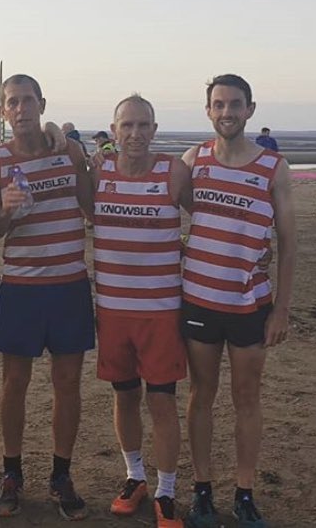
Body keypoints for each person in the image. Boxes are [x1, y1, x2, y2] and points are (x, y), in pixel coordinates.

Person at [181, 75, 295, 528]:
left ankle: (245, 493)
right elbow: (150, 187)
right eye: (218, 104)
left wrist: (281, 309)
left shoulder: (274, 167)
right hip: (199, 300)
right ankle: (202, 490)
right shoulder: (194, 160)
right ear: (208, 110)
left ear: (250, 109)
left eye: (234, 104)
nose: (226, 112)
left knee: (247, 398)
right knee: (201, 395)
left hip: (250, 305)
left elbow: (288, 243)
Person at [0, 74, 94, 520]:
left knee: (68, 383)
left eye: (28, 100)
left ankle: (61, 475)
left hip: (69, 285)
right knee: (14, 383)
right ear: (2, 111)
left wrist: (85, 155)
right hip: (22, 288)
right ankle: (12, 472)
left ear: (42, 104)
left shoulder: (67, 152)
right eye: (12, 102)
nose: (21, 108)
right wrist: (7, 211)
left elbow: (91, 207)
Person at [92, 95, 190, 528]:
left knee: (162, 401)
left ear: (154, 129)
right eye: (126, 125)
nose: (135, 133)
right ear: (114, 130)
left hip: (161, 311)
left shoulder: (174, 171)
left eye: (143, 125)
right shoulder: (98, 172)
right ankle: (135, 477)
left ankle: (166, 491)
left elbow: (206, 219)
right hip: (113, 309)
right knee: (125, 396)